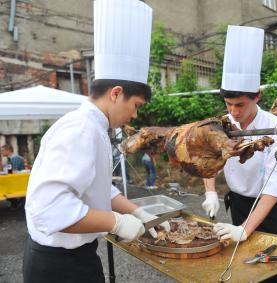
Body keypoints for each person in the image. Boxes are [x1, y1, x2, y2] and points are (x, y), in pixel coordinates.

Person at [23, 1, 169, 282]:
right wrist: (116, 222)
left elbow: (98, 188)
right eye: (136, 105)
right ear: (116, 94)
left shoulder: (95, 128)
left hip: (75, 257)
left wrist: (137, 211)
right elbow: (49, 208)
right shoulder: (80, 130)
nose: (134, 115)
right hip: (58, 266)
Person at [202, 25, 277, 244]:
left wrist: (244, 230)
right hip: (239, 204)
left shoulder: (276, 128)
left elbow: (275, 185)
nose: (234, 112)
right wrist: (210, 192)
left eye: (240, 105)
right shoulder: (223, 124)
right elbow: (209, 160)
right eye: (229, 104)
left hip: (268, 206)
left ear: (257, 96)